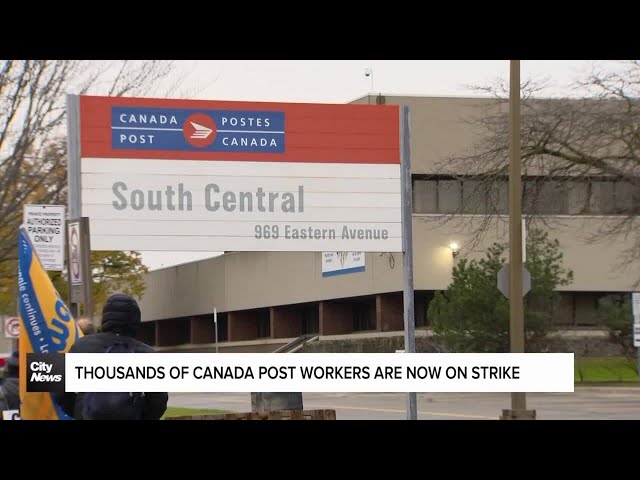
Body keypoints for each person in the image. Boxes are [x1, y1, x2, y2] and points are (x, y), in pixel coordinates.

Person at [55, 293, 168, 420]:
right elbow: (158, 401)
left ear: (105, 318)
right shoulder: (146, 354)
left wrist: (79, 411)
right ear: (135, 320)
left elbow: (60, 390)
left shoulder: (82, 347)